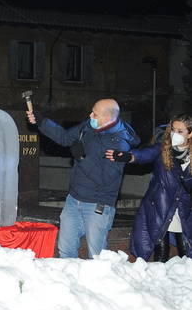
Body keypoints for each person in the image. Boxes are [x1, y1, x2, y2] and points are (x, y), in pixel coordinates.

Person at [27, 99, 140, 258]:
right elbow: (65, 137)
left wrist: (81, 158)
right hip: (73, 200)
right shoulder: (88, 126)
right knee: (66, 250)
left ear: (108, 118)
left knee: (97, 255)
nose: (90, 115)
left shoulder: (119, 144)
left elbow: (106, 179)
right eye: (92, 111)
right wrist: (42, 122)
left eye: (95, 113)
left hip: (97, 205)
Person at [106, 114, 192, 262]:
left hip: (184, 210)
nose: (174, 134)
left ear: (190, 134)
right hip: (160, 207)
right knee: (161, 250)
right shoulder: (163, 149)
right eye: (173, 129)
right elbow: (144, 154)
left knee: (186, 250)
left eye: (180, 131)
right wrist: (128, 156)